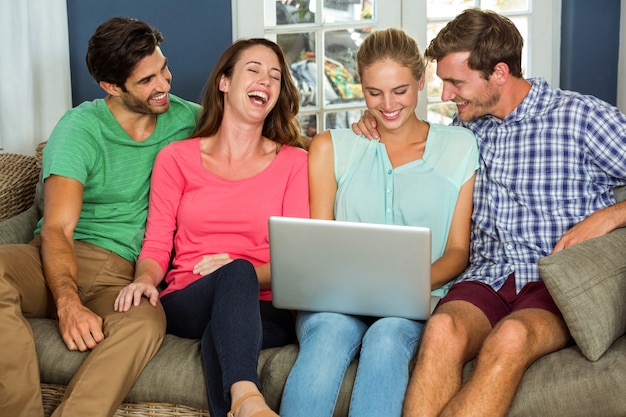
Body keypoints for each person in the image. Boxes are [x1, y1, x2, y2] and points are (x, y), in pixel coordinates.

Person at [353, 9, 626, 417]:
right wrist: (371, 123)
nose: (445, 96)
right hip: (487, 275)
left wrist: (612, 215)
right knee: (442, 329)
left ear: (499, 73)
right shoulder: (466, 131)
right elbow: (407, 134)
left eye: (456, 82)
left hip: (555, 278)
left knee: (512, 337)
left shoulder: (582, 119)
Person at [0, 17, 201, 417]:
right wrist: (68, 304)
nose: (163, 85)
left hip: (124, 275)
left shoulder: (189, 119)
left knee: (145, 324)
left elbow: (265, 132)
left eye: (163, 68)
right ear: (111, 86)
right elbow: (57, 228)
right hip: (56, 259)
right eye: (146, 81)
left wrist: (363, 121)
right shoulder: (80, 129)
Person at [279, 28, 478, 417]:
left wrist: (402, 289)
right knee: (329, 333)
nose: (387, 105)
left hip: (418, 300)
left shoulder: (459, 146)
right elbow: (321, 243)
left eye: (400, 90)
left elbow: (457, 251)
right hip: (337, 302)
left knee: (388, 336)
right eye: (374, 93)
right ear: (361, 86)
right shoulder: (331, 147)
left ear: (421, 80)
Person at [114, 38, 309, 417]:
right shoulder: (176, 158)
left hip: (265, 309)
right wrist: (143, 279)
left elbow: (298, 262)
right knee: (233, 279)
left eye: (275, 76)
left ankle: (242, 399)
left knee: (223, 329)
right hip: (188, 299)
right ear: (224, 82)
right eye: (253, 70)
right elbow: (156, 244)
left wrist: (244, 272)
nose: (265, 82)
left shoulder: (294, 162)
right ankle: (249, 400)